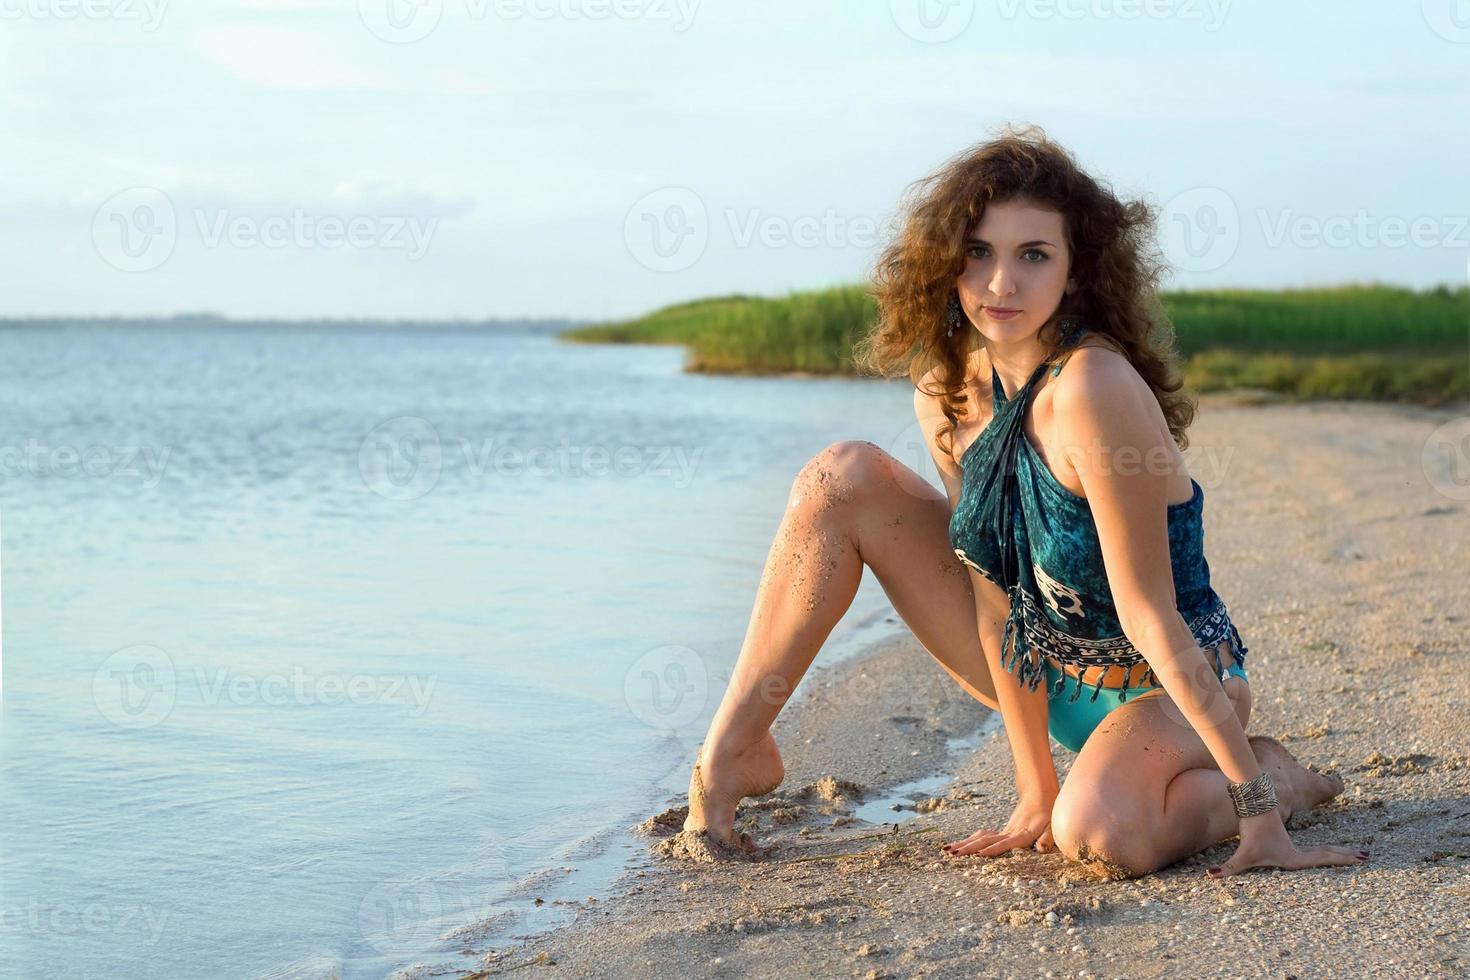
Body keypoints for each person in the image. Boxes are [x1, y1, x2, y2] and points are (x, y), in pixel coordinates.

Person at [681, 125, 1366, 880]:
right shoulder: (946, 398)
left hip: (1171, 690)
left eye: (1032, 255)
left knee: (1099, 836)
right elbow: (996, 601)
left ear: (1075, 273)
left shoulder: (1092, 388)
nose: (1000, 282)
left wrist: (1260, 814)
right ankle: (730, 756)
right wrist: (1034, 787)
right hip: (1049, 674)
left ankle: (1276, 779)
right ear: (948, 262)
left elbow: (1149, 613)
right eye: (979, 252)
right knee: (837, 478)